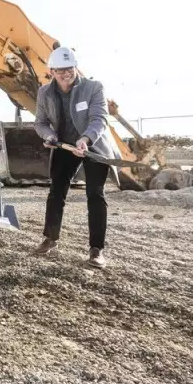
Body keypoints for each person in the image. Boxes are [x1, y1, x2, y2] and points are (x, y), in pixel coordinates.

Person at [33, 46, 120, 269]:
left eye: (70, 68)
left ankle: (96, 249)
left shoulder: (93, 87)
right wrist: (49, 136)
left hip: (93, 145)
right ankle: (50, 238)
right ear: (51, 71)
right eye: (60, 70)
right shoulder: (45, 92)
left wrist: (86, 139)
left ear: (76, 67)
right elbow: (40, 123)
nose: (66, 74)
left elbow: (99, 119)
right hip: (64, 145)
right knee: (56, 192)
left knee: (95, 194)